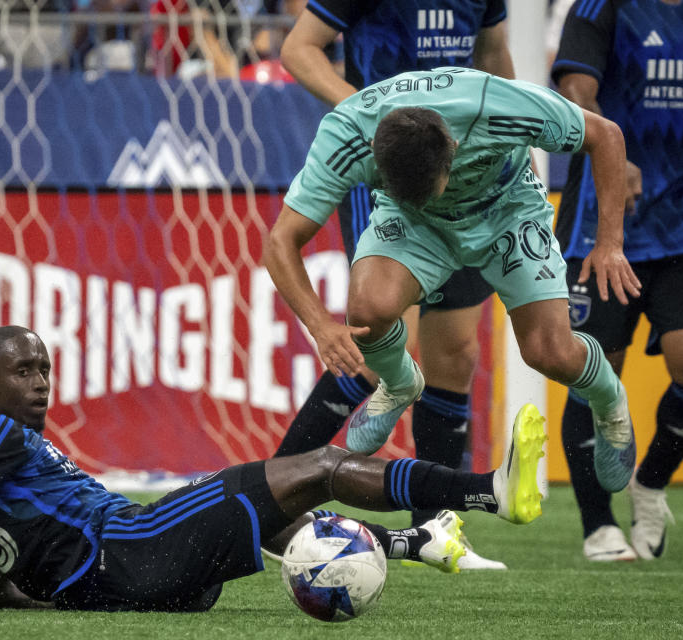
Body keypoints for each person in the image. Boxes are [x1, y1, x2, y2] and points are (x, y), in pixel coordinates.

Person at [0, 325, 546, 614]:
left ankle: (419, 541)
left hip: (127, 578)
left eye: (44, 368)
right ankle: (486, 491)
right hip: (129, 551)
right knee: (316, 465)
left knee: (269, 510)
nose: (42, 382)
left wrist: (30, 598)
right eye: (25, 372)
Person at [263, 69, 642, 534]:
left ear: (454, 150)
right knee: (367, 309)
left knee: (550, 353)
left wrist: (609, 244)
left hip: (508, 211)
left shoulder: (496, 106)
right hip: (417, 225)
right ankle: (400, 384)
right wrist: (321, 326)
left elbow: (606, 136)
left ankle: (609, 398)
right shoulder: (346, 133)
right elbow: (280, 242)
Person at [273, 0, 518, 570]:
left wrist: (503, 139)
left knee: (455, 354)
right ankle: (274, 502)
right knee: (379, 343)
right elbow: (297, 49)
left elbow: (492, 55)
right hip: (388, 173)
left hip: (456, 172)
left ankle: (435, 529)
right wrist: (367, 117)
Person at [550, 0, 683, 562]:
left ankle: (648, 484)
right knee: (596, 374)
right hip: (602, 225)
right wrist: (610, 152)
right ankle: (598, 526)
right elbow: (574, 87)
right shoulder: (602, 6)